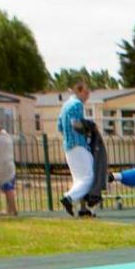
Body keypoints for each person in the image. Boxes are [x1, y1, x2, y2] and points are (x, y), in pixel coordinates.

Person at [58, 81, 95, 217]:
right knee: (89, 177)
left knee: (79, 179)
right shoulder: (77, 104)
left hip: (68, 146)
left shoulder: (65, 106)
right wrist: (88, 129)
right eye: (86, 92)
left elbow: (59, 127)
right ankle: (69, 198)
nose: (87, 96)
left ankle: (83, 208)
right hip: (79, 144)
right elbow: (76, 124)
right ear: (78, 91)